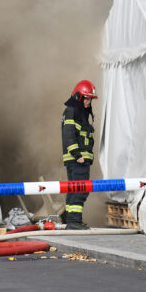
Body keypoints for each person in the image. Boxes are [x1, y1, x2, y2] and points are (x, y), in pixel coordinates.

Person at [61, 80, 97, 229]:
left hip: (79, 160)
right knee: (80, 190)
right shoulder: (72, 111)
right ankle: (74, 221)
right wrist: (78, 155)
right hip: (77, 160)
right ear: (78, 97)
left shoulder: (79, 112)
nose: (88, 102)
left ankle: (72, 220)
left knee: (74, 189)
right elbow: (69, 134)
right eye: (86, 98)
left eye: (90, 99)